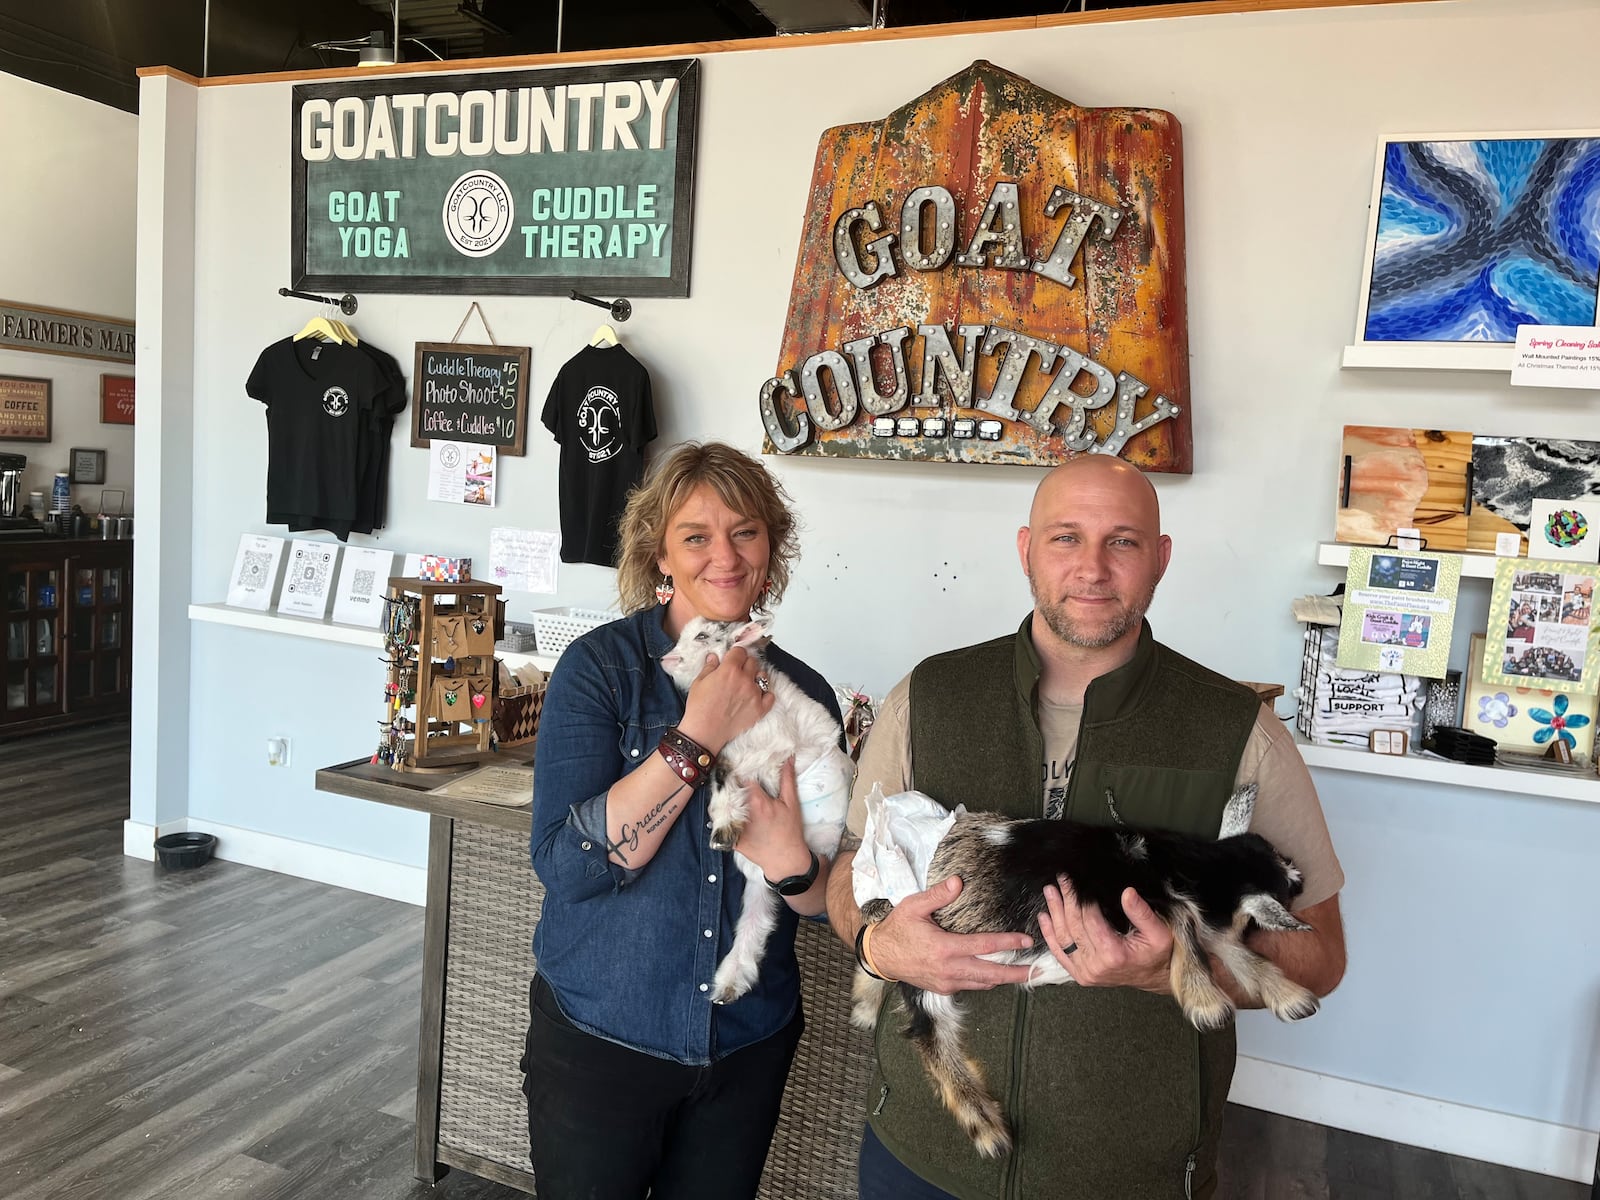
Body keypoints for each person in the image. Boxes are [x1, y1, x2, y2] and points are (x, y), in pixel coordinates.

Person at [826, 454, 1347, 1200]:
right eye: (1065, 537)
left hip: (1132, 1176)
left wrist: (1166, 969)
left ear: (1161, 559)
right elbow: (850, 869)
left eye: (1124, 541)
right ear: (1025, 549)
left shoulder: (1241, 733)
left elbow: (1321, 955)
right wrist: (880, 942)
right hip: (922, 1153)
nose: (1093, 568)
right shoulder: (929, 697)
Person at [524, 441, 844, 1199]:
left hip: (745, 1046)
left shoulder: (806, 695)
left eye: (746, 532)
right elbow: (566, 867)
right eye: (696, 536)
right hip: (602, 1043)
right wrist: (695, 736)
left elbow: (819, 901)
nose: (724, 556)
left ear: (770, 551)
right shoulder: (600, 670)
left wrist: (794, 862)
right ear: (660, 556)